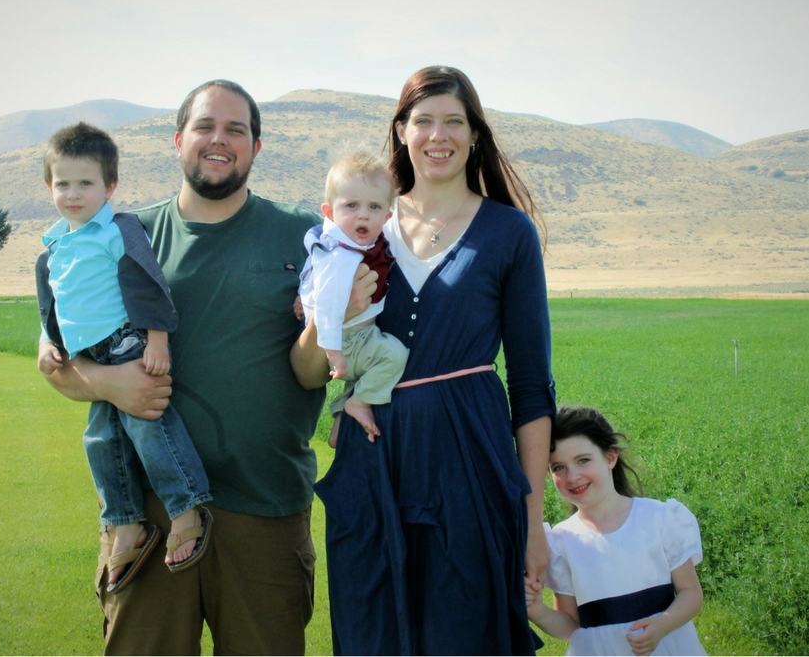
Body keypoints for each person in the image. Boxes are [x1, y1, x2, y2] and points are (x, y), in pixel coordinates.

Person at [38, 80, 373, 655]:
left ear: (256, 147)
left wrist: (330, 319)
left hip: (265, 507)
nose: (219, 140)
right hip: (150, 516)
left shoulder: (304, 238)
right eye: (205, 127)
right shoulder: (121, 236)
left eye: (236, 130)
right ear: (178, 140)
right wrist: (110, 384)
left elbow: (310, 373)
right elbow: (56, 359)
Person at [313, 65, 557, 655]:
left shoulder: (508, 233)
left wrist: (533, 521)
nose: (437, 135)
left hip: (470, 455)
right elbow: (316, 346)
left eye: (454, 121)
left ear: (476, 134)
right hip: (375, 456)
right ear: (400, 131)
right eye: (423, 121)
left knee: (464, 627)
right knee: (375, 627)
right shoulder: (358, 229)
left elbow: (529, 384)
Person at [36, 122, 212, 593]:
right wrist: (47, 340)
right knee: (99, 440)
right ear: (49, 187)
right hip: (87, 354)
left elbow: (148, 284)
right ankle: (125, 521)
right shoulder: (53, 245)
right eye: (63, 184)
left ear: (110, 186)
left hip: (125, 342)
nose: (74, 194)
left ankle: (185, 505)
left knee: (148, 425)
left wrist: (157, 339)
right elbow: (53, 299)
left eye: (86, 183)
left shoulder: (118, 230)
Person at [525, 406, 706, 656]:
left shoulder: (658, 518)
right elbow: (570, 627)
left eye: (583, 460)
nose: (572, 476)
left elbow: (691, 593)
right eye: (558, 467)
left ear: (610, 457)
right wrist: (537, 611)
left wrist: (663, 624)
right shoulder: (561, 542)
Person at [298, 152, 409, 445]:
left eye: (374, 207)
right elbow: (327, 306)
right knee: (393, 356)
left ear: (387, 216)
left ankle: (342, 418)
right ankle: (357, 403)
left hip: (357, 333)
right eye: (351, 206)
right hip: (345, 338)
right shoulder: (340, 255)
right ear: (329, 212)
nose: (363, 215)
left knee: (376, 360)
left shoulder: (361, 244)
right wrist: (333, 353)